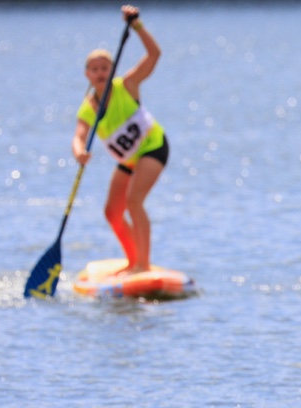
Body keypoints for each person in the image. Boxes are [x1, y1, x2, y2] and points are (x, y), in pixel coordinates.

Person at [73, 5, 168, 276]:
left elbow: (154, 55)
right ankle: (132, 261)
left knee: (134, 201)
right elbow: (78, 137)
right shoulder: (87, 108)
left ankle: (143, 265)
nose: (100, 72)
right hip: (129, 160)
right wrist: (79, 152)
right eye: (94, 69)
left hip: (153, 148)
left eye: (105, 67)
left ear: (112, 69)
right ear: (87, 75)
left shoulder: (127, 85)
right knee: (112, 213)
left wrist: (136, 26)